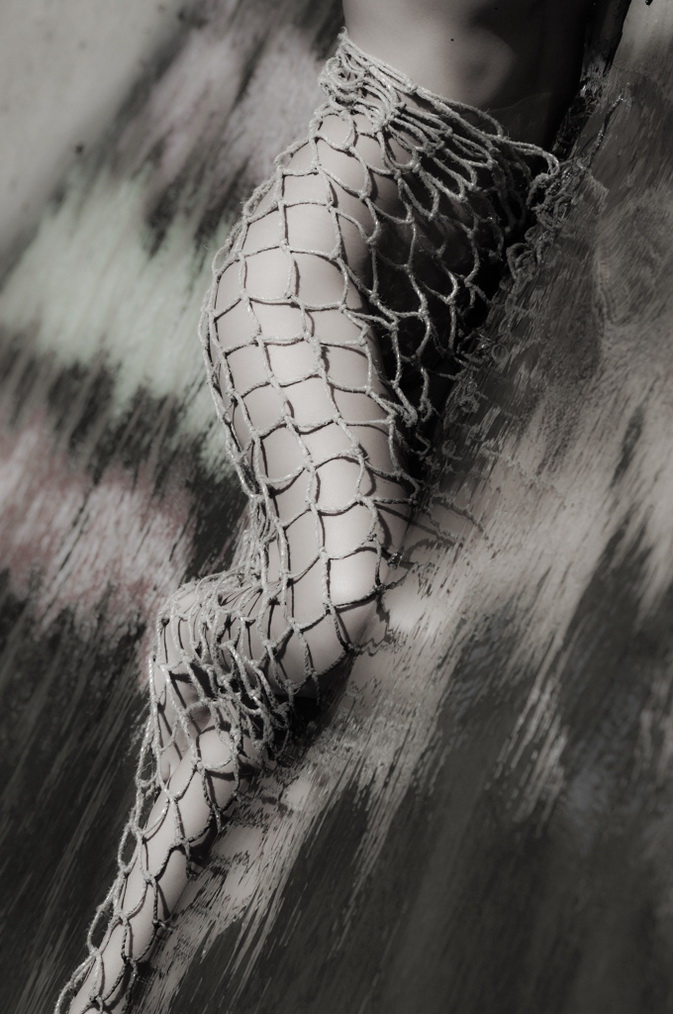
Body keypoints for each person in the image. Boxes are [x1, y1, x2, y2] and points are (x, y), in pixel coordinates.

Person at [56, 1, 595, 1010]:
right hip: (310, 272)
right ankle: (201, 636)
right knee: (342, 597)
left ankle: (105, 983)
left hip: (463, 263)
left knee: (272, 715)